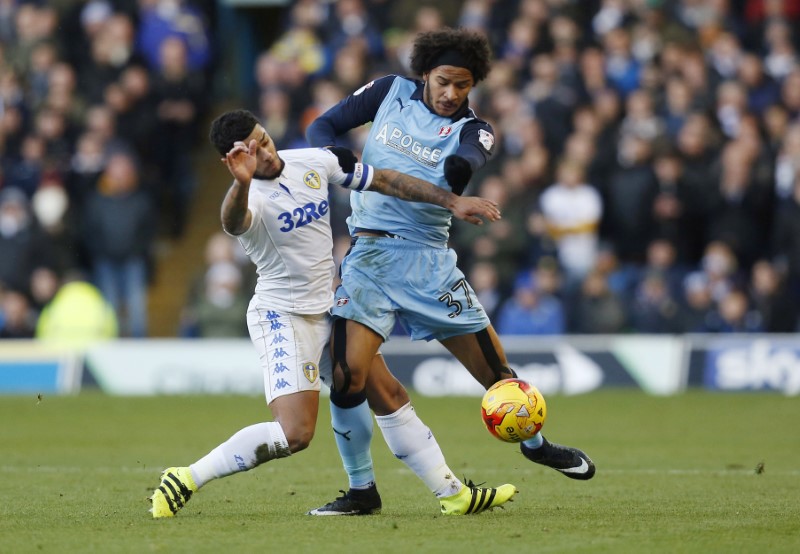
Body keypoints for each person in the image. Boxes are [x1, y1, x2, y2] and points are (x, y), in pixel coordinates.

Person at [149, 109, 516, 518]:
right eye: (252, 150)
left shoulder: (314, 161)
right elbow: (232, 223)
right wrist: (240, 181)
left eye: (265, 139)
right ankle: (186, 476)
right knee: (296, 434)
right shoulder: (246, 198)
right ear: (234, 158)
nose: (266, 153)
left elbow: (384, 179)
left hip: (329, 308)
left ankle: (452, 494)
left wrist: (450, 200)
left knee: (389, 395)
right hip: (283, 317)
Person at [305, 27, 596, 516]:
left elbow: (467, 160)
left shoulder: (475, 129)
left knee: (499, 377)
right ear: (424, 73)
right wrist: (335, 158)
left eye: (463, 86)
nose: (451, 93)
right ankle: (361, 491)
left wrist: (459, 175)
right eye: (443, 81)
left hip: (428, 264)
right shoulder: (388, 91)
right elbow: (323, 127)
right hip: (369, 257)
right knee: (345, 376)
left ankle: (537, 444)